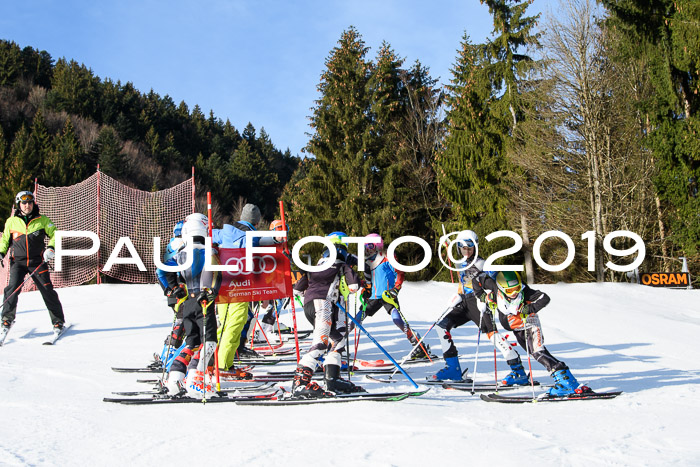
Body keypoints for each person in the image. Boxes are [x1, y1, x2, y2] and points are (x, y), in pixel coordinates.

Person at [430, 230, 522, 382]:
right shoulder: (460, 263)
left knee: (494, 336)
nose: (466, 251)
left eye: (470, 248)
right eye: (463, 248)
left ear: (476, 247)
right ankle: (453, 369)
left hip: (479, 303)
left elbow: (497, 285)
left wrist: (486, 298)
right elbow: (462, 280)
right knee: (441, 326)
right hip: (464, 302)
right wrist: (459, 294)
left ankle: (518, 371)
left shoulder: (483, 264)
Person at [472, 270, 583, 396]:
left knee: (538, 353)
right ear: (501, 288)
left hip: (530, 325)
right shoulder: (494, 287)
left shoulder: (526, 292)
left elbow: (544, 298)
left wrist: (529, 308)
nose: (514, 293)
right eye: (509, 291)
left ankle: (567, 383)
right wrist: (482, 296)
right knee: (535, 353)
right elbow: (477, 279)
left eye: (517, 288)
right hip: (518, 330)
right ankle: (565, 381)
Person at [291, 233, 364, 398]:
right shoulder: (340, 264)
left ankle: (333, 378)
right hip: (322, 305)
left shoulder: (316, 265)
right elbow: (353, 286)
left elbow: (297, 290)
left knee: (338, 340)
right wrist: (349, 268)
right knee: (321, 343)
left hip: (310, 306)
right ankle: (300, 383)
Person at [212, 204, 280, 369]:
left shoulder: (226, 231)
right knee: (235, 324)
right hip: (239, 286)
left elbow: (211, 235)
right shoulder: (253, 238)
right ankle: (222, 367)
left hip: (222, 285)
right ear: (256, 222)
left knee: (225, 325)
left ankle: (213, 362)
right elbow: (266, 246)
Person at [163, 214, 222, 397]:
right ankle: (195, 378)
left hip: (187, 301)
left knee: (192, 342)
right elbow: (216, 275)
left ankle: (175, 378)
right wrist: (212, 291)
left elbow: (163, 271)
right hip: (203, 303)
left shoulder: (180, 253)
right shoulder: (208, 251)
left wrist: (172, 289)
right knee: (209, 343)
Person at [356, 233, 432, 360]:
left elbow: (399, 273)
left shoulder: (387, 258)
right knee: (357, 319)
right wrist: (365, 288)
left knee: (397, 320)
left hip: (387, 296)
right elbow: (369, 281)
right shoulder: (368, 262)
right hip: (374, 297)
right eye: (365, 246)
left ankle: (418, 345)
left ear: (378, 245)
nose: (367, 249)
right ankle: (337, 346)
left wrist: (396, 289)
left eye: (370, 245)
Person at [0, 191, 65, 335]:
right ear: (19, 204)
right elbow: (5, 240)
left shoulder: (41, 220)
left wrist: (51, 248)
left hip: (37, 262)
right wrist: (1, 252)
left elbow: (55, 233)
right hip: (18, 262)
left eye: (30, 202)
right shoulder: (12, 221)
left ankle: (58, 321)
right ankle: (6, 320)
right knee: (12, 289)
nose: (27, 205)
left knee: (47, 290)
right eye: (24, 203)